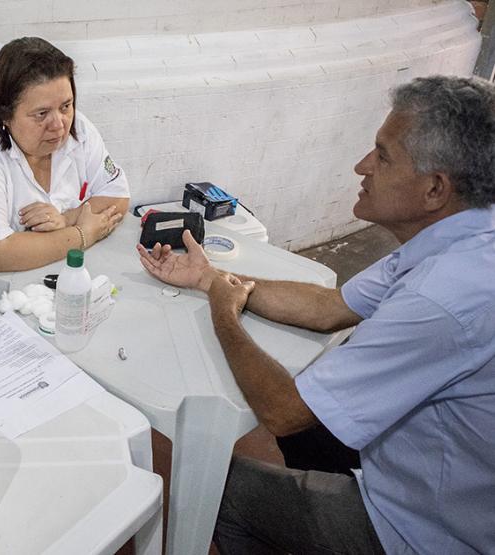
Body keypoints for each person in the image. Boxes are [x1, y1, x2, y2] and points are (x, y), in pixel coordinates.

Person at [138, 75, 495, 553]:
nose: (361, 166)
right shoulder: (459, 238)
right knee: (309, 439)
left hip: (423, 530)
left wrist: (224, 314)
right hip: (433, 474)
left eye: (383, 155)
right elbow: (332, 308)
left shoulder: (442, 300)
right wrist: (211, 279)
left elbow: (284, 412)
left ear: (434, 189)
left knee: (202, 481)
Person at [0, 37, 129, 322]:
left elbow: (117, 197)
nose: (58, 124)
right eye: (41, 114)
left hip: (44, 277)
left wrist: (67, 219)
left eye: (66, 106)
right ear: (5, 114)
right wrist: (82, 234)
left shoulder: (78, 129)